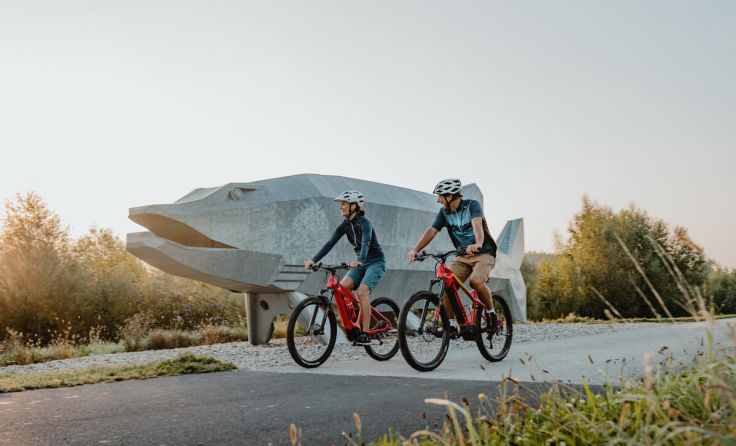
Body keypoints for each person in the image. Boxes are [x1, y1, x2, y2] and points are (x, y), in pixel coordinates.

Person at [407, 178, 497, 335]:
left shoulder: (472, 206)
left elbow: (477, 224)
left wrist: (478, 243)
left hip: (484, 253)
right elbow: (432, 231)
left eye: (440, 196)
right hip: (463, 255)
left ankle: (491, 313)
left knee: (476, 281)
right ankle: (452, 324)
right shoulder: (444, 213)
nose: (438, 200)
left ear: (450, 196)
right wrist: (415, 250)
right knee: (447, 282)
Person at [305, 190, 387, 346]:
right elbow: (330, 242)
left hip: (375, 262)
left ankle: (366, 333)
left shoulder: (364, 223)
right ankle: (357, 315)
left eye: (343, 204)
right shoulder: (345, 225)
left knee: (362, 292)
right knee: (341, 289)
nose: (340, 207)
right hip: (360, 263)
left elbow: (366, 242)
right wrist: (314, 259)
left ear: (354, 206)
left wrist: (360, 260)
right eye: (341, 204)